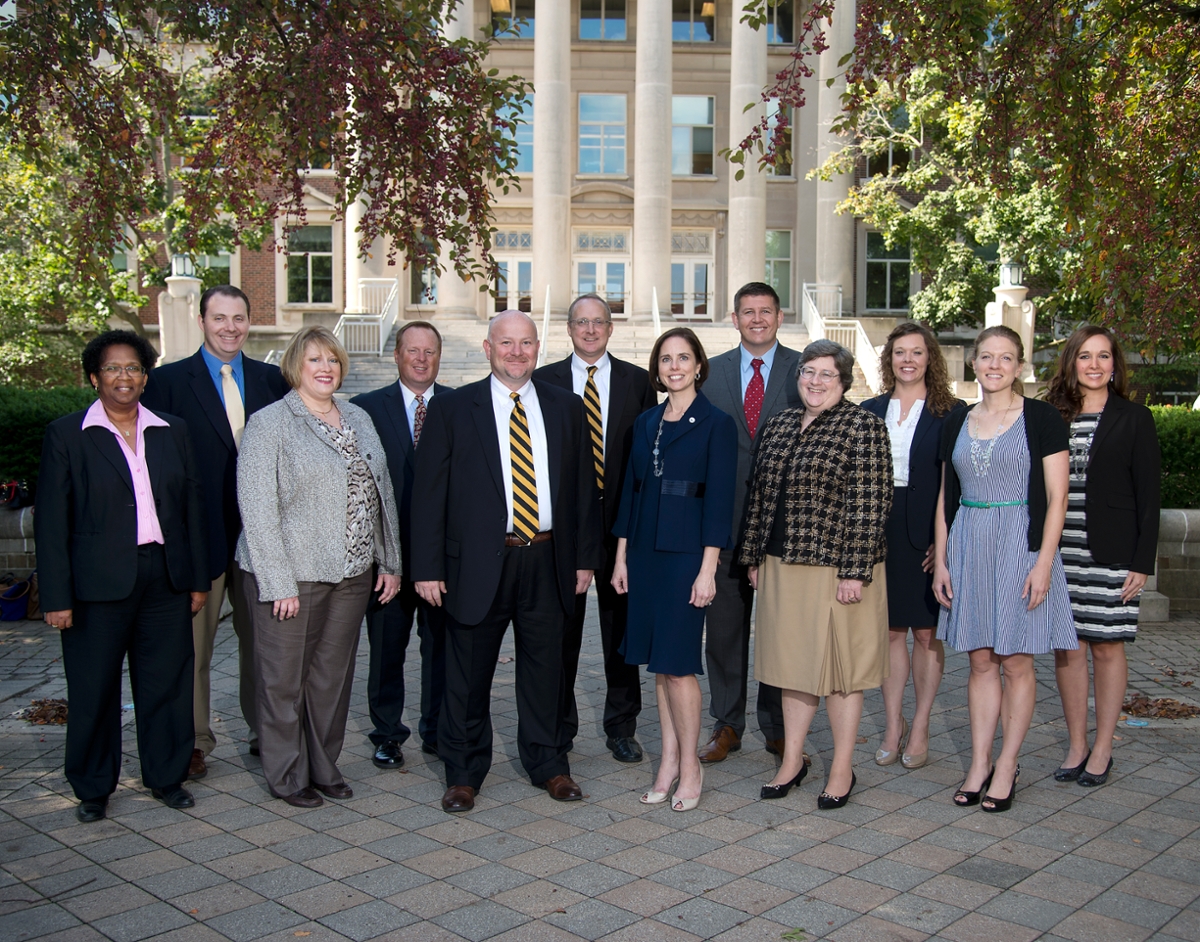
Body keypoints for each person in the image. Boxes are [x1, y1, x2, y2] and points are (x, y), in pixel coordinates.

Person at [411, 310, 602, 813]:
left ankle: (550, 764)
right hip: (474, 564)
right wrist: (426, 567)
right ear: (487, 347)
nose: (516, 353)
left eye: (525, 344)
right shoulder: (454, 409)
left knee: (546, 671)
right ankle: (463, 773)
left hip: (548, 558)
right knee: (466, 674)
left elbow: (583, 490)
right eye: (506, 343)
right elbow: (428, 495)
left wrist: (585, 559)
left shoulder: (566, 407)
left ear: (538, 348)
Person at [36, 330, 210, 822]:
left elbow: (191, 510)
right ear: (94, 377)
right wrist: (57, 597)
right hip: (96, 587)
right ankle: (93, 787)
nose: (123, 376)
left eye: (133, 367)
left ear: (145, 376)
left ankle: (166, 777)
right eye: (112, 368)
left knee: (166, 684)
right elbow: (52, 522)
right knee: (93, 688)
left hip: (164, 578)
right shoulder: (68, 434)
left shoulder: (171, 430)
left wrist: (197, 579)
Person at [235, 326, 401, 809]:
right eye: (314, 361)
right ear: (295, 367)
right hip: (291, 576)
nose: (325, 368)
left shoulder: (357, 417)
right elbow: (258, 508)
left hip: (351, 574)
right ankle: (287, 775)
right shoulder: (270, 424)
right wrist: (277, 582)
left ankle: (324, 767)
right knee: (283, 681)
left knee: (331, 678)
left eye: (332, 359)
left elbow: (380, 491)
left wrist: (389, 561)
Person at [142, 285, 289, 778]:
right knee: (193, 648)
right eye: (220, 317)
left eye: (239, 318)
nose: (230, 327)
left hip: (261, 538)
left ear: (250, 321)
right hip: (197, 538)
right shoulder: (165, 384)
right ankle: (194, 740)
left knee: (265, 646)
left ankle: (264, 733)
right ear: (202, 320)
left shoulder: (274, 381)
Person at [740, 340, 892, 809]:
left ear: (844, 381)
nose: (816, 381)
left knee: (842, 672)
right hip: (783, 566)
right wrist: (753, 556)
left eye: (828, 374)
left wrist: (855, 570)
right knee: (792, 669)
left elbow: (871, 503)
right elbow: (761, 496)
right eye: (809, 371)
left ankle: (842, 769)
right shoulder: (780, 424)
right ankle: (792, 761)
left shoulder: (863, 426)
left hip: (838, 569)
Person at [933, 325, 1076, 813]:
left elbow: (1058, 499)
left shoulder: (1042, 418)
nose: (995, 365)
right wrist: (942, 560)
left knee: (1015, 661)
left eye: (1006, 358)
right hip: (970, 540)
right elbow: (944, 496)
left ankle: (1009, 763)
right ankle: (979, 762)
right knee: (978, 661)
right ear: (974, 363)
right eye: (987, 357)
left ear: (1020, 366)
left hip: (1020, 543)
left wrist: (1043, 562)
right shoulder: (957, 419)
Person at [611, 328, 736, 812]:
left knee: (680, 666)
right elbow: (631, 492)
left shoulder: (716, 423)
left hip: (687, 557)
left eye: (684, 358)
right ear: (657, 368)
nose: (675, 366)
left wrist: (708, 570)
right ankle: (668, 760)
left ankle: (692, 765)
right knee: (659, 667)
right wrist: (621, 557)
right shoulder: (645, 422)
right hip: (644, 553)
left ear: (699, 365)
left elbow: (719, 503)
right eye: (666, 359)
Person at [534, 294, 658, 763]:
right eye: (581, 322)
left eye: (598, 322)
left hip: (621, 526)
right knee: (559, 630)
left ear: (611, 328)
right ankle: (559, 728)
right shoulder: (542, 381)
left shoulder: (640, 382)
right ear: (568, 328)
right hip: (562, 528)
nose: (589, 330)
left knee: (620, 632)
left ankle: (622, 726)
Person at [1047, 326, 1160, 788]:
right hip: (1057, 552)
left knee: (1108, 647)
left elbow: (1149, 495)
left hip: (1112, 552)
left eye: (1104, 356)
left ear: (1115, 364)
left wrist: (1141, 561)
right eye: (1085, 356)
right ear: (1072, 363)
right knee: (1068, 649)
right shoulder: (1052, 416)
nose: (1094, 365)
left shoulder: (1136, 418)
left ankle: (1103, 747)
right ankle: (1076, 744)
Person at [699, 282, 802, 763]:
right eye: (747, 312)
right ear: (733, 318)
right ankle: (727, 723)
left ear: (780, 317)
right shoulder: (710, 373)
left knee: (781, 628)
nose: (756, 319)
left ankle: (778, 724)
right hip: (723, 523)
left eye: (765, 311)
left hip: (785, 526)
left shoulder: (806, 370)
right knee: (723, 629)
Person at [351, 322, 451, 769]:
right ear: (396, 354)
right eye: (413, 350)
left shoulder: (460, 405)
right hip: (386, 558)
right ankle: (387, 735)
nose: (421, 359)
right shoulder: (364, 409)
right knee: (387, 649)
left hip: (442, 559)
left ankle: (435, 730)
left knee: (441, 649)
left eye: (429, 351)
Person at [861, 323, 962, 771]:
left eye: (916, 352)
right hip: (879, 532)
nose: (907, 360)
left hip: (926, 531)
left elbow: (956, 482)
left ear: (929, 359)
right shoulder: (868, 409)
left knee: (925, 633)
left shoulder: (951, 412)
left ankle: (920, 725)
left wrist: (943, 544)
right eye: (899, 352)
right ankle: (892, 724)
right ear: (889, 359)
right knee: (888, 634)